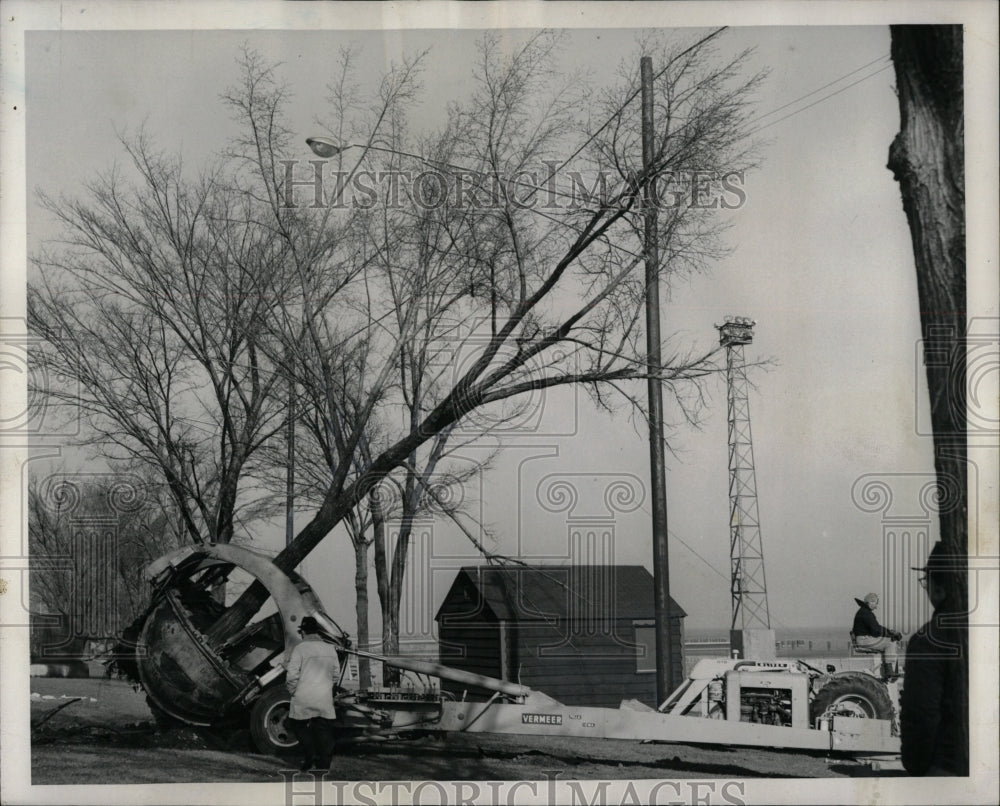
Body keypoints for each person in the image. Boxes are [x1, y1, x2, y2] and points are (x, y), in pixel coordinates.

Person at [900, 541, 968, 776]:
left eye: (926, 582)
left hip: (947, 768)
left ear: (938, 588)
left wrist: (918, 767)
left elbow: (921, 718)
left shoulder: (928, 640)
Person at [285, 616, 341, 771]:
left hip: (303, 695)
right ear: (317, 632)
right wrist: (328, 687)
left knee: (298, 725)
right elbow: (336, 673)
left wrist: (293, 691)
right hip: (323, 696)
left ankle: (310, 755)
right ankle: (324, 762)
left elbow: (292, 675)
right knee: (323, 729)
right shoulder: (329, 649)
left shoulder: (300, 649)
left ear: (303, 632)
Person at [852, 591, 903, 675]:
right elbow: (876, 631)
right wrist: (891, 634)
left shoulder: (863, 611)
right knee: (891, 643)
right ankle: (889, 670)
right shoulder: (866, 613)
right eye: (876, 603)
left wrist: (889, 632)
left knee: (889, 640)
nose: (876, 606)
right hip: (864, 640)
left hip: (863, 639)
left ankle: (888, 667)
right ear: (870, 602)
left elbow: (876, 628)